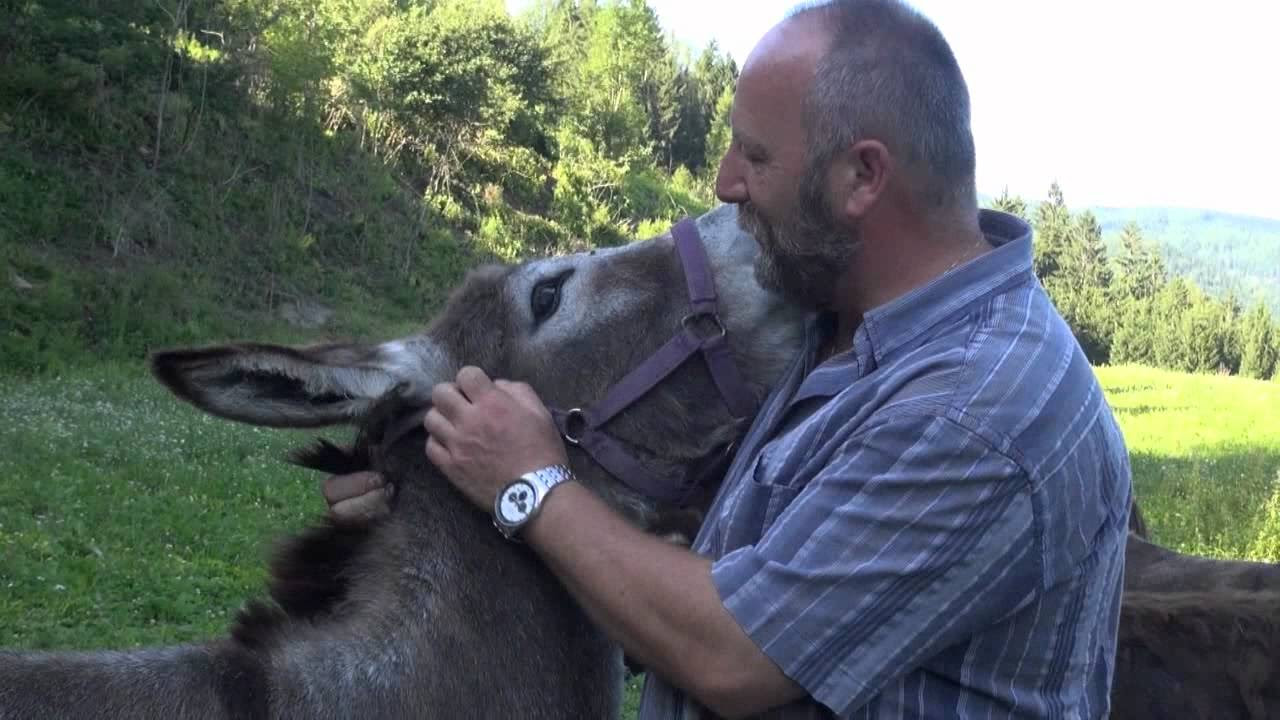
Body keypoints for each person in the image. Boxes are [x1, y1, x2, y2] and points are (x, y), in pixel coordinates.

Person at [323, 1, 1132, 717]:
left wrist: (528, 483)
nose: (723, 182)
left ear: (863, 176)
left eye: (756, 155)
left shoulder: (976, 407)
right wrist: (443, 492)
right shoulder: (847, 327)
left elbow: (734, 656)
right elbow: (768, 547)